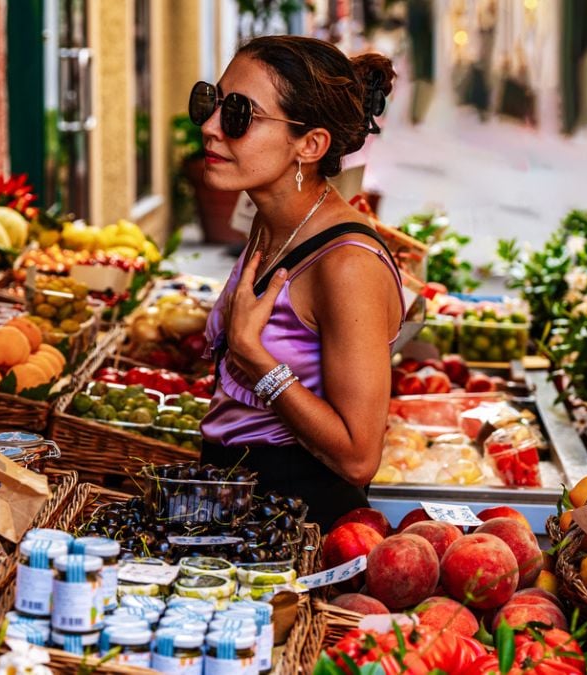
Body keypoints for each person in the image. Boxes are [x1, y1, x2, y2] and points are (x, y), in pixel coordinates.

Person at [194, 35, 403, 528]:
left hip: (300, 533)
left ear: (309, 145)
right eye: (210, 102)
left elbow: (358, 457)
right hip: (237, 514)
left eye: (239, 114)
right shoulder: (271, 221)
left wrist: (253, 354)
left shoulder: (347, 263)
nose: (209, 127)